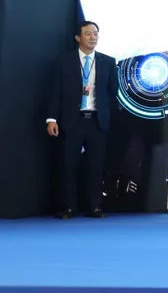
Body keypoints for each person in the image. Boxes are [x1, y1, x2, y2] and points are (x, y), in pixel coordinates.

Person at [45, 21, 118, 219]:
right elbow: (56, 92)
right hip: (72, 120)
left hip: (96, 121)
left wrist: (107, 114)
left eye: (95, 33)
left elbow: (113, 93)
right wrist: (51, 118)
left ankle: (95, 206)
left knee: (96, 166)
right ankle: (69, 206)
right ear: (78, 38)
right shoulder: (64, 61)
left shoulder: (107, 62)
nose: (93, 37)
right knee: (69, 165)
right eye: (88, 34)